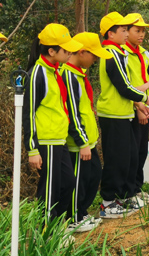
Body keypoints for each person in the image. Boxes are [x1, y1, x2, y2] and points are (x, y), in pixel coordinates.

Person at [97, 12, 149, 218]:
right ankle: (107, 202)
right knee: (115, 159)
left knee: (128, 156)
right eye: (123, 30)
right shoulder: (111, 54)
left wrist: (138, 103)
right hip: (113, 114)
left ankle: (122, 197)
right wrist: (144, 99)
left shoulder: (118, 52)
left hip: (123, 113)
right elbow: (124, 86)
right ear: (110, 34)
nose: (126, 33)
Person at [23, 24, 83, 222]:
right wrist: (32, 149)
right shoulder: (37, 74)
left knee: (68, 182)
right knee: (49, 189)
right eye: (66, 50)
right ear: (51, 51)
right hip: (47, 141)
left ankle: (56, 225)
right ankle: (46, 234)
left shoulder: (55, 71)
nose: (70, 53)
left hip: (59, 139)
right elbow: (28, 112)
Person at [62, 32, 112, 232]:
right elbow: (72, 113)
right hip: (78, 143)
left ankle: (81, 212)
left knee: (92, 176)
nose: (95, 59)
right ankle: (73, 217)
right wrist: (82, 142)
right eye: (94, 55)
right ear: (81, 52)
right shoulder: (68, 76)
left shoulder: (78, 74)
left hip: (87, 140)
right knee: (79, 181)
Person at [123, 14, 149, 202]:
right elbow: (124, 84)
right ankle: (129, 191)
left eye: (143, 31)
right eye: (138, 30)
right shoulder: (123, 54)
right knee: (132, 152)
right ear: (126, 32)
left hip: (145, 103)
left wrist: (142, 89)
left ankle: (138, 188)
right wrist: (139, 106)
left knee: (142, 150)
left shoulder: (144, 53)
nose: (142, 34)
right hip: (132, 108)